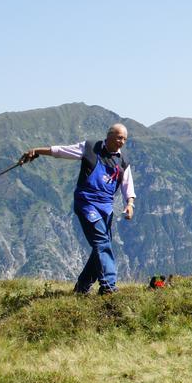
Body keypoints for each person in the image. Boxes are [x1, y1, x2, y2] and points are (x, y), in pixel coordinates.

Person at [20, 123, 136, 294]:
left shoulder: (122, 161)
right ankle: (109, 287)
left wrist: (130, 204)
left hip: (106, 206)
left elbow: (128, 185)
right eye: (119, 137)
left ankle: (81, 288)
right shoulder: (90, 148)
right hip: (86, 203)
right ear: (109, 135)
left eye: (125, 139)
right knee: (102, 243)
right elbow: (61, 151)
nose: (122, 142)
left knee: (102, 245)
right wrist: (37, 150)